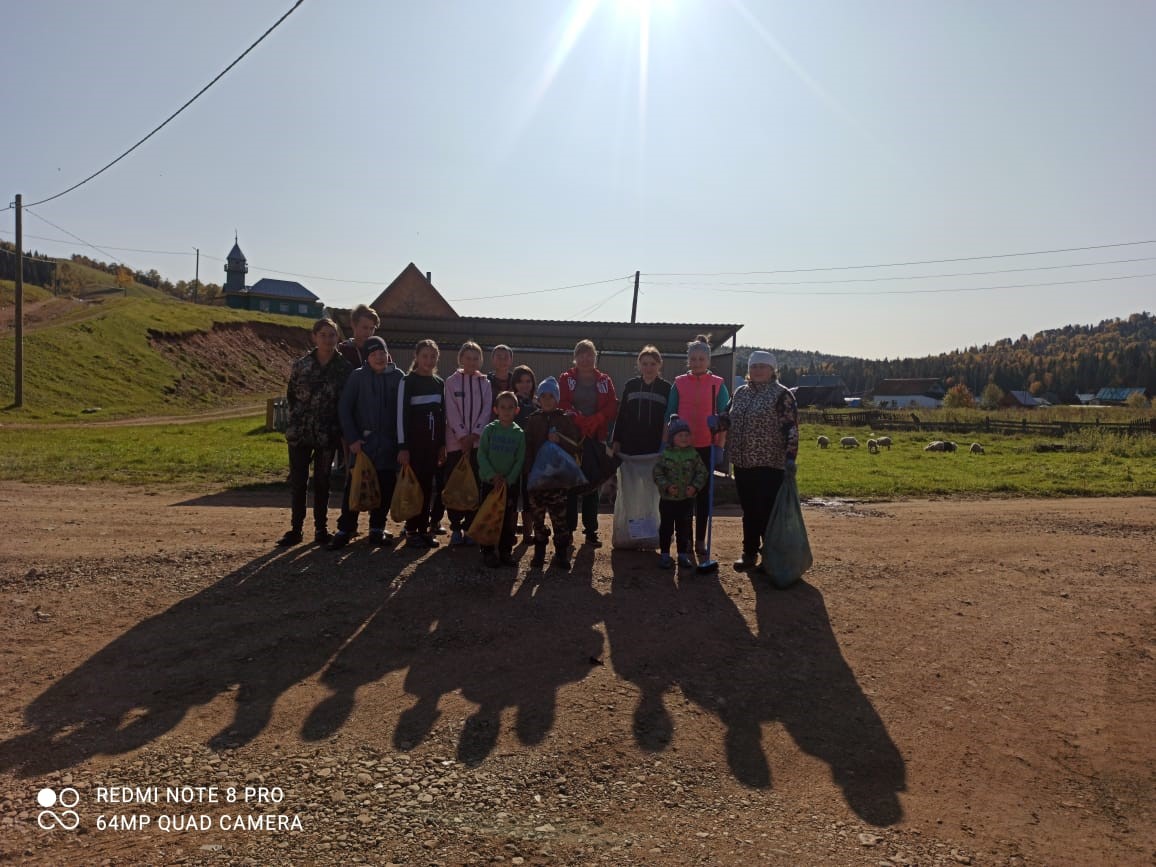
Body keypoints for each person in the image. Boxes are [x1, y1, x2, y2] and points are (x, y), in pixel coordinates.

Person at [721, 350, 799, 571]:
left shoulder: (782, 394)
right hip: (742, 461)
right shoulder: (740, 392)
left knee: (767, 511)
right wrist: (718, 421)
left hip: (769, 463)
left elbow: (791, 428)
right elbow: (728, 415)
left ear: (772, 370)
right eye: (754, 366)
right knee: (749, 510)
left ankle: (771, 557)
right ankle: (749, 552)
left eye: (762, 366)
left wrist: (790, 457)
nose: (757, 370)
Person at [278, 318, 352, 546]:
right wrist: (296, 421)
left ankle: (321, 529)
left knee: (323, 482)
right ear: (314, 337)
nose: (328, 339)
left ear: (337, 338)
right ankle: (296, 529)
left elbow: (346, 403)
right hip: (300, 433)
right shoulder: (301, 365)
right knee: (299, 482)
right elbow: (291, 396)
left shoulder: (344, 368)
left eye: (332, 335)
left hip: (327, 435)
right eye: (323, 335)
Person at [328, 336, 404, 550]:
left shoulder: (398, 377)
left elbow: (403, 412)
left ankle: (377, 529)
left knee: (385, 487)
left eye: (382, 353)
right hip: (364, 445)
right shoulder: (358, 377)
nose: (379, 357)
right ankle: (346, 529)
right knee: (354, 487)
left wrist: (401, 444)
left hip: (388, 445)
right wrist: (352, 438)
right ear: (367, 357)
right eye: (374, 354)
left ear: (388, 354)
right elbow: (345, 408)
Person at [666, 334, 730, 565]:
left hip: (706, 446)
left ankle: (700, 539)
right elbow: (670, 413)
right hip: (683, 447)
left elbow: (725, 418)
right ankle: (685, 540)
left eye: (701, 359)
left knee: (703, 496)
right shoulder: (679, 383)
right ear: (688, 360)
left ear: (709, 360)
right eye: (693, 359)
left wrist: (719, 446)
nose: (697, 362)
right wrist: (668, 439)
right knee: (684, 496)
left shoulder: (718, 384)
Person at [558, 339, 618, 548]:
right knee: (571, 484)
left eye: (589, 354)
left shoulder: (604, 380)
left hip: (595, 437)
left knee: (593, 484)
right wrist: (579, 420)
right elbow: (562, 402)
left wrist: (597, 419)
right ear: (575, 357)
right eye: (581, 354)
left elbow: (612, 406)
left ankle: (591, 530)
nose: (585, 358)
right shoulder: (566, 378)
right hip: (571, 439)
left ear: (595, 357)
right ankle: (568, 530)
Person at [524, 376, 582, 570]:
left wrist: (560, 441)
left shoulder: (565, 420)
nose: (547, 400)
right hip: (537, 479)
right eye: (543, 396)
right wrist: (528, 471)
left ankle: (561, 553)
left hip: (557, 479)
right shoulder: (533, 420)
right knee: (538, 517)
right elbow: (528, 447)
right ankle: (539, 552)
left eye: (551, 396)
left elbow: (574, 446)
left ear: (557, 399)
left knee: (560, 519)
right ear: (538, 398)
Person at [396, 339, 446, 548]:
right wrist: (403, 447)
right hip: (413, 447)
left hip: (432, 447)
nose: (429, 360)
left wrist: (442, 445)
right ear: (416, 357)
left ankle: (424, 529)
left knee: (427, 487)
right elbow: (401, 416)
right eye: (425, 356)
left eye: (433, 356)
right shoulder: (407, 381)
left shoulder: (439, 383)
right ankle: (411, 530)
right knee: (413, 488)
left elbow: (442, 417)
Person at [444, 341, 493, 545]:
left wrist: (474, 435)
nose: (472, 362)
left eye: (475, 358)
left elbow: (487, 410)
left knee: (475, 486)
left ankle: (470, 527)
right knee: (456, 485)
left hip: (477, 444)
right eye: (468, 358)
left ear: (480, 360)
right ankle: (455, 527)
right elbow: (451, 411)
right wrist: (462, 436)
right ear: (461, 359)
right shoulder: (451, 382)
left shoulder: (485, 383)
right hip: (456, 444)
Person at [476, 391, 526, 568]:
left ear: (516, 410)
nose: (506, 411)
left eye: (510, 407)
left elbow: (520, 459)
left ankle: (505, 551)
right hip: (490, 483)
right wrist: (492, 476)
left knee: (507, 519)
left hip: (509, 485)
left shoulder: (519, 434)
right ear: (495, 409)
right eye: (503, 407)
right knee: (489, 516)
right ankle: (488, 551)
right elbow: (481, 455)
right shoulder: (489, 430)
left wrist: (508, 479)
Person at [652, 416, 708, 569]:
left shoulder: (694, 455)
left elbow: (702, 472)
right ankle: (665, 554)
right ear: (672, 438)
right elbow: (657, 473)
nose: (684, 438)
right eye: (680, 435)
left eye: (687, 435)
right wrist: (667, 486)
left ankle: (682, 555)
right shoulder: (665, 455)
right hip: (667, 500)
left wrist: (695, 487)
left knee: (683, 528)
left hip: (686, 499)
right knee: (666, 528)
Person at [612, 345, 672, 457]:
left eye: (653, 364)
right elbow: (622, 414)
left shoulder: (666, 388)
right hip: (629, 444)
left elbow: (669, 418)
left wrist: (666, 443)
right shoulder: (631, 385)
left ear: (660, 364)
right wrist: (616, 440)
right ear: (639, 365)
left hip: (655, 445)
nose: (649, 368)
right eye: (645, 364)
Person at [511, 364, 538, 543]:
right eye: (520, 381)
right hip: (512, 454)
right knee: (512, 492)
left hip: (530, 455)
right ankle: (511, 531)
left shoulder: (537, 404)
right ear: (514, 383)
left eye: (528, 381)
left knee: (528, 492)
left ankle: (528, 532)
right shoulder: (509, 402)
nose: (524, 385)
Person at [337, 304, 382, 369]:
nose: (368, 332)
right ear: (353, 325)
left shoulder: (379, 351)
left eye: (372, 328)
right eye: (365, 327)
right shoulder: (343, 351)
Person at [487, 344, 515, 411]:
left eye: (506, 357)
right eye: (499, 357)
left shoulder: (517, 382)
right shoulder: (485, 382)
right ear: (492, 360)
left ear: (511, 360)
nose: (502, 360)